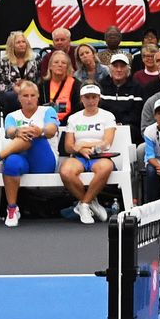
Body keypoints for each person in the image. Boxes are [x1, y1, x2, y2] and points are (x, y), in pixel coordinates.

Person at [0, 79, 59, 226]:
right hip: (22, 159)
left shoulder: (48, 111)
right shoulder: (12, 116)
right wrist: (18, 131)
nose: (29, 99)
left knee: (32, 135)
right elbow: (9, 132)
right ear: (19, 98)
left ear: (37, 97)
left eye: (32, 95)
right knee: (11, 163)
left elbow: (51, 130)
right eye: (25, 96)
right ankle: (11, 208)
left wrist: (39, 131)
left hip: (44, 161)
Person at [60, 85, 117, 223]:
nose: (91, 101)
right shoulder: (74, 118)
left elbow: (107, 143)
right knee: (66, 171)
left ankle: (84, 204)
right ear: (81, 99)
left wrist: (83, 145)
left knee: (105, 168)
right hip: (79, 156)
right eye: (87, 97)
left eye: (94, 97)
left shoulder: (107, 116)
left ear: (99, 98)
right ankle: (91, 203)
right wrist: (79, 149)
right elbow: (68, 147)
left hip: (100, 156)